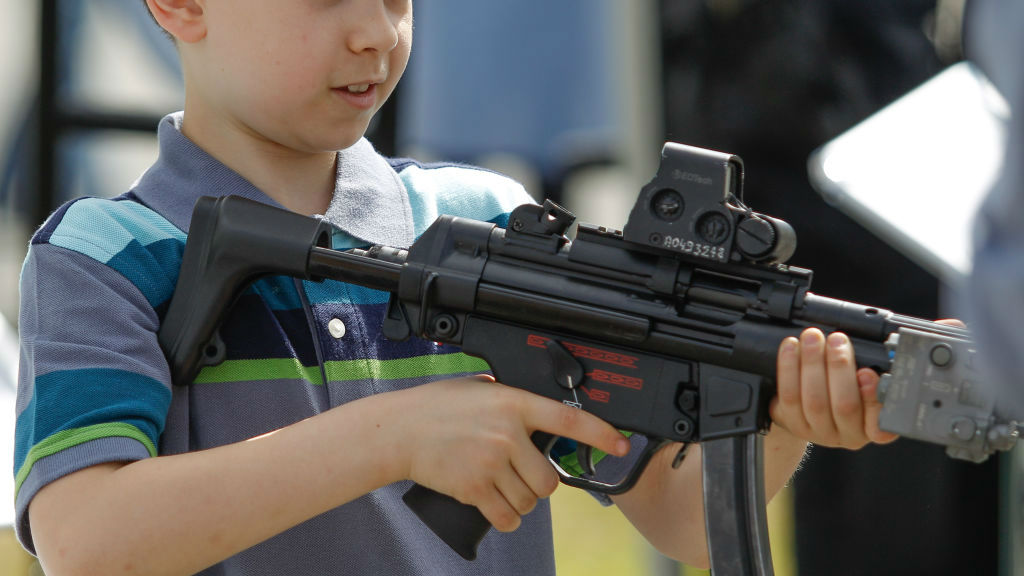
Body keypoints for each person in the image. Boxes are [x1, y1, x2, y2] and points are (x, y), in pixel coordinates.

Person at [13, 2, 898, 575]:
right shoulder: (109, 256)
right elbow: (88, 543)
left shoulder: (487, 221)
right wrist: (391, 437)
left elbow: (684, 522)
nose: (376, 34)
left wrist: (776, 413)